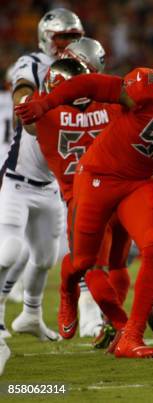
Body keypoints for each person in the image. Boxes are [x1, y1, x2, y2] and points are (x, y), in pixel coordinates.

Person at [16, 52, 153, 358]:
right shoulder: (148, 86)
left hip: (138, 181)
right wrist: (45, 103)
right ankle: (69, 287)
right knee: (83, 263)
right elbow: (93, 84)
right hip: (97, 177)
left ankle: (131, 335)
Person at [25, 57, 131, 347]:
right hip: (88, 198)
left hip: (104, 193)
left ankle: (114, 324)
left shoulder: (42, 113)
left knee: (113, 263)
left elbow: (27, 113)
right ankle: (121, 324)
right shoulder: (109, 107)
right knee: (97, 265)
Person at [0, 8, 84, 341]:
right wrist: (28, 109)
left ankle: (31, 315)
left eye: (73, 38)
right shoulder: (32, 63)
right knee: (9, 250)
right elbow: (22, 90)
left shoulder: (80, 69)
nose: (66, 44)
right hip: (18, 180)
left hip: (51, 184)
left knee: (46, 257)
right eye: (61, 37)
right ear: (45, 38)